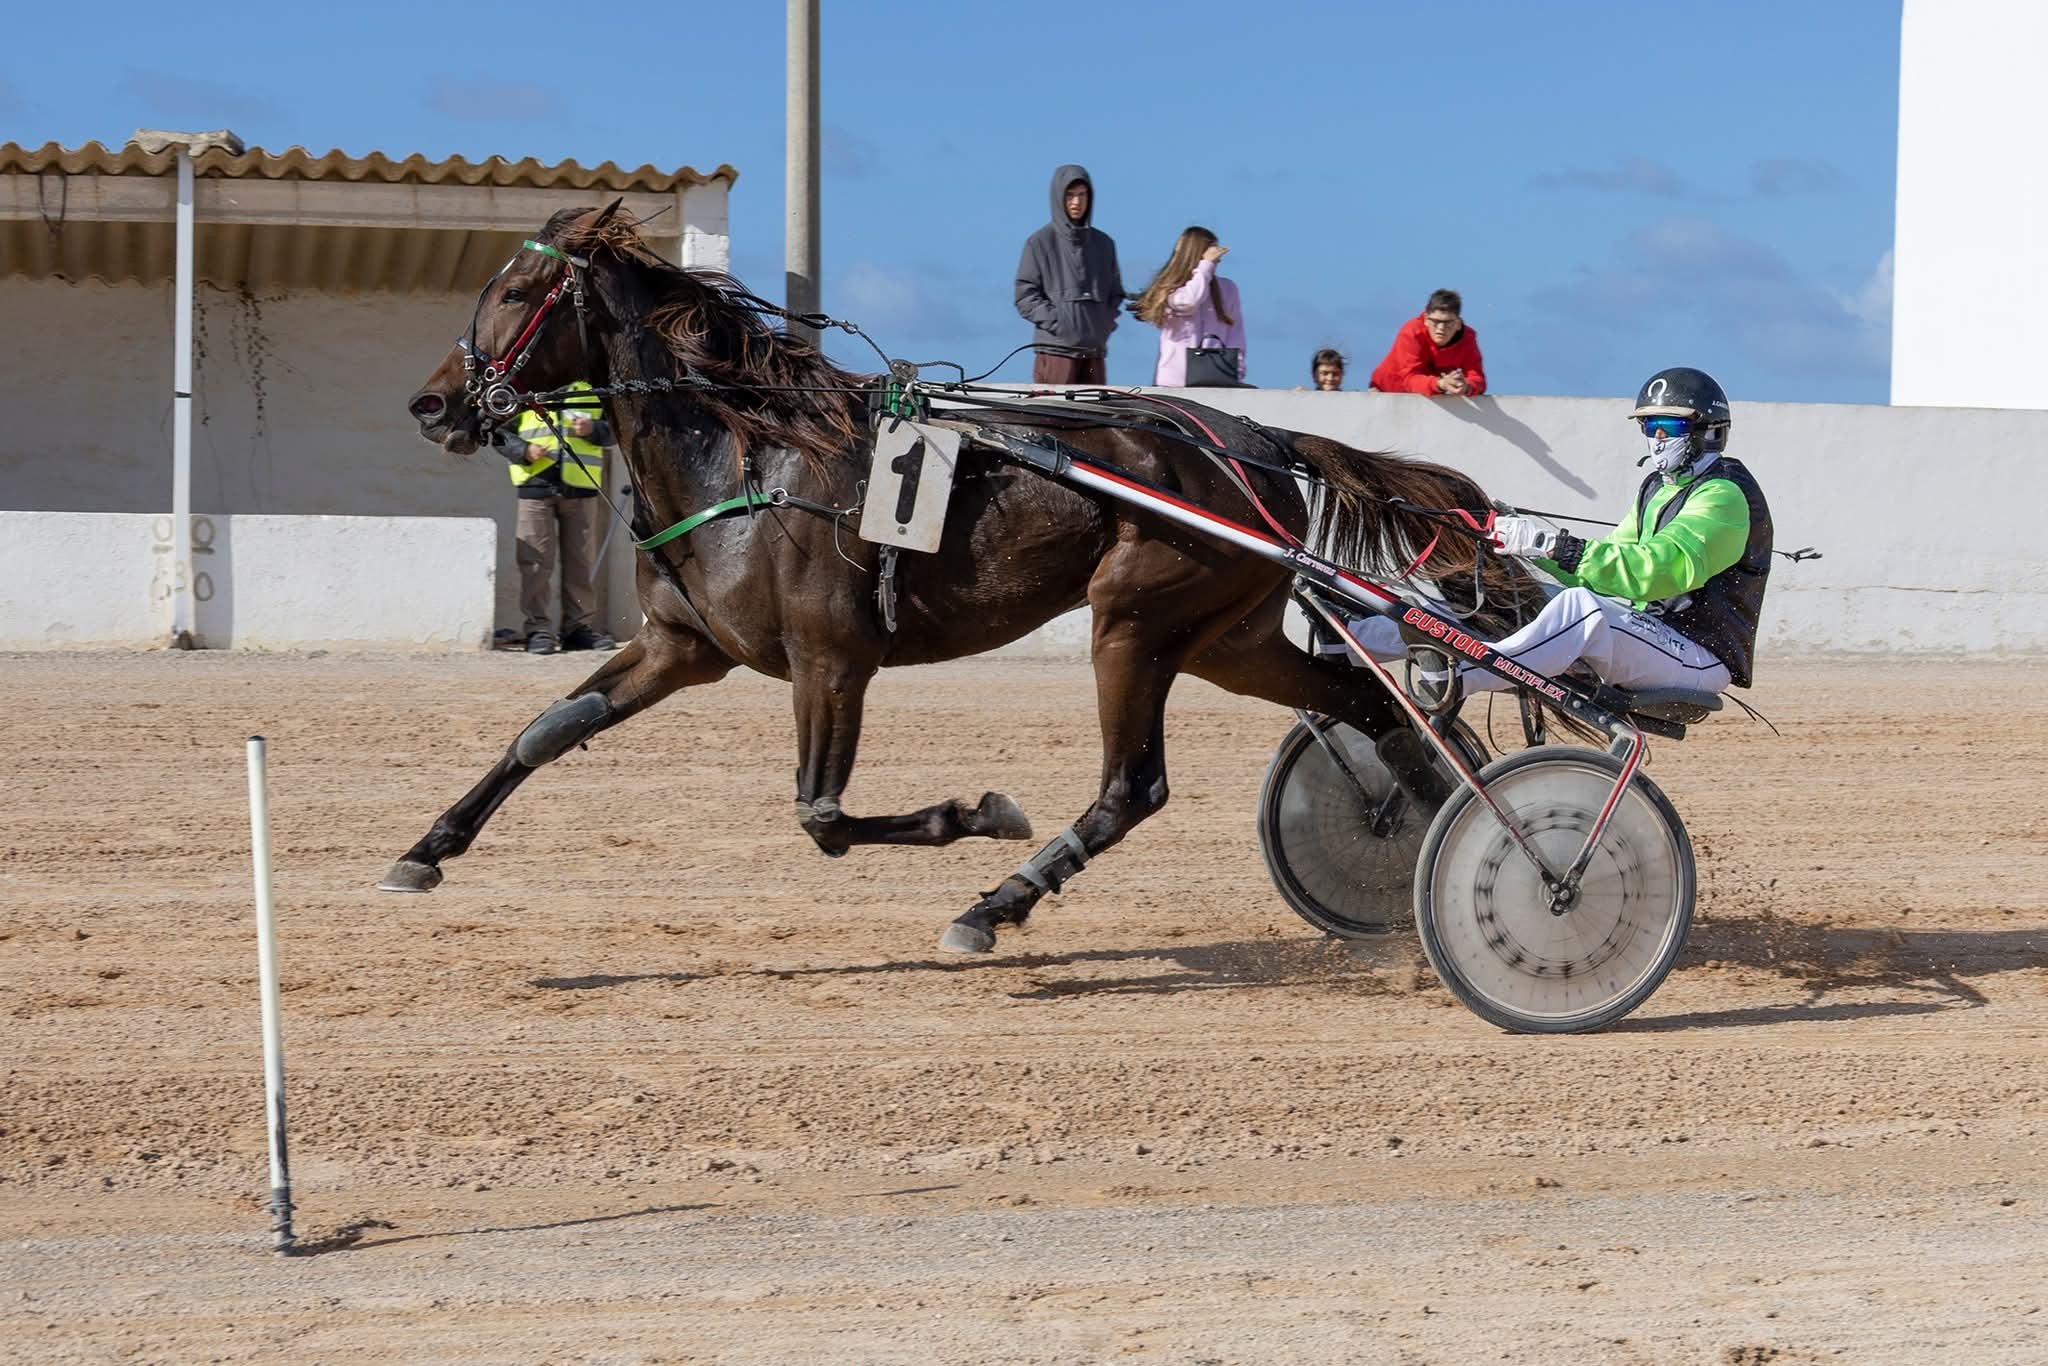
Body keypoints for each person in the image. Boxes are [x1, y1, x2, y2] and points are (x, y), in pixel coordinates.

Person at [1348, 367, 1772, 700]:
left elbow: (1656, 572)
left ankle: (1463, 676)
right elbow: (1609, 563)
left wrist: (1551, 545)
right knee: (1505, 597)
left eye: (1669, 427)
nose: (1657, 439)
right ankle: (1355, 641)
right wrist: (1535, 547)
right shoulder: (1658, 488)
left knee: (1582, 610)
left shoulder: (1723, 495)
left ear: (1707, 431)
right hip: (1656, 636)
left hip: (1699, 655)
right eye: (1649, 426)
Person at [491, 379, 619, 655]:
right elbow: (497, 431)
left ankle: (578, 628)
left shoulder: (591, 388)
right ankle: (538, 629)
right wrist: (523, 451)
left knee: (581, 563)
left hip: (581, 487)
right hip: (535, 488)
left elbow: (617, 430)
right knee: (535, 563)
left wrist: (593, 429)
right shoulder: (526, 385)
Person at [1014, 164, 1124, 386]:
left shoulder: (1104, 244)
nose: (1076, 202)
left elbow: (1115, 294)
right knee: (1053, 409)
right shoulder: (1039, 243)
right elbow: (1025, 296)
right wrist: (1060, 324)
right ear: (1058, 197)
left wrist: (1103, 325)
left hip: (1094, 352)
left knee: (1097, 409)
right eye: (1070, 195)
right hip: (1056, 351)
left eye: (1082, 195)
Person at [1131, 226, 1247, 386]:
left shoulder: (1228, 288)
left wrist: (1236, 372)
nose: (1217, 260)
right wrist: (1205, 266)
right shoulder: (1170, 288)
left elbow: (1236, 336)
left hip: (1217, 377)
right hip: (1173, 382)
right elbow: (1189, 301)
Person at [1369, 289, 1486, 397]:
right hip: (1385, 392)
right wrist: (1440, 384)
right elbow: (1409, 378)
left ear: (1458, 324)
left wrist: (1466, 386)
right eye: (1435, 321)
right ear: (1426, 319)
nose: (1441, 328)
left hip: (1430, 397)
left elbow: (1477, 378)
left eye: (1448, 322)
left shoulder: (1467, 338)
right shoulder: (1412, 332)